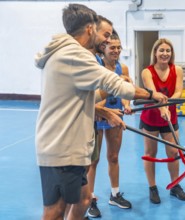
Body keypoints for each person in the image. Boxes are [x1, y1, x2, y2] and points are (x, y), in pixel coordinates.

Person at [34, 4, 167, 220]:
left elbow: (84, 97)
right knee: (55, 210)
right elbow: (118, 86)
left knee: (84, 198)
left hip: (67, 146)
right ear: (89, 29)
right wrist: (153, 95)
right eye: (100, 32)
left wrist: (104, 112)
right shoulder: (75, 54)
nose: (104, 39)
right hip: (62, 147)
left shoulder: (64, 53)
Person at [87, 33, 133, 218]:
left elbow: (125, 92)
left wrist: (127, 105)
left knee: (113, 157)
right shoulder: (95, 66)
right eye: (112, 47)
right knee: (93, 160)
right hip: (97, 117)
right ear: (104, 48)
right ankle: (89, 199)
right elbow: (92, 93)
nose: (116, 50)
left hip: (115, 116)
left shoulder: (123, 68)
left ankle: (115, 194)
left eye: (118, 47)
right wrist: (101, 111)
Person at [139, 38, 185, 204]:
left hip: (170, 117)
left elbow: (178, 92)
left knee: (173, 153)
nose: (165, 53)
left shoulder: (177, 70)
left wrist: (167, 106)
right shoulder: (147, 72)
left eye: (168, 50)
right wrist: (161, 108)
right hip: (151, 117)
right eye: (161, 50)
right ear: (155, 53)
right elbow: (153, 93)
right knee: (150, 154)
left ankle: (175, 185)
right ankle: (152, 188)